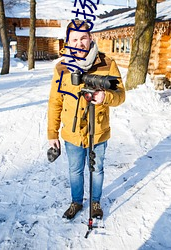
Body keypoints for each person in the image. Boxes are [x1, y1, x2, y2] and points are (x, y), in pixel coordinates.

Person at [47, 20, 125, 220]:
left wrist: (105, 97)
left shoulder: (107, 64)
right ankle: (76, 202)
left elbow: (121, 95)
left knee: (97, 168)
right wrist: (52, 134)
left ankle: (96, 202)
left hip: (98, 130)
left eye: (83, 38)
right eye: (74, 39)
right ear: (68, 42)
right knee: (75, 170)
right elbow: (55, 102)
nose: (79, 43)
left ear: (90, 38)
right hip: (72, 133)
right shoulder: (61, 68)